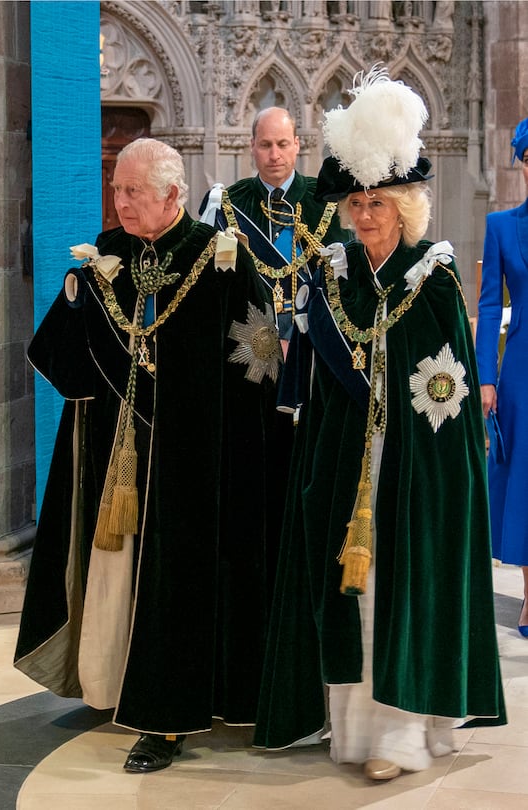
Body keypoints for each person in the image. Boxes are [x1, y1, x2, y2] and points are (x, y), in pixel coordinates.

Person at [254, 66, 506, 781]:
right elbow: (321, 378)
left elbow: (446, 389)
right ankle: (355, 732)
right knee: (347, 597)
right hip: (342, 463)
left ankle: (401, 736)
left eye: (377, 204)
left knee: (401, 590)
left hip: (413, 465)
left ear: (405, 206)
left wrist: (425, 465)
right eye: (355, 203)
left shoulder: (435, 274)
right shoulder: (331, 274)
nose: (364, 217)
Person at [14, 138, 282, 773]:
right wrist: (77, 304)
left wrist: (238, 453)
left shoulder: (220, 260)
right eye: (116, 189)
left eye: (133, 191)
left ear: (172, 194)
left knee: (180, 581)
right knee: (117, 574)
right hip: (119, 456)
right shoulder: (105, 256)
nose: (120, 202)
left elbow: (259, 363)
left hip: (194, 460)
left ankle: (167, 719)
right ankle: (113, 686)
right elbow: (61, 355)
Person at [200, 106, 352, 353]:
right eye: (265, 145)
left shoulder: (326, 200)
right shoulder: (229, 203)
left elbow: (343, 283)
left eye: (282, 144)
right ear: (252, 146)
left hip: (313, 343)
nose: (274, 155)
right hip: (246, 346)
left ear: (297, 144)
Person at [476, 116, 528, 636]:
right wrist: (486, 379)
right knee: (525, 482)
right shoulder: (502, 226)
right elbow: (490, 306)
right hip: (522, 373)